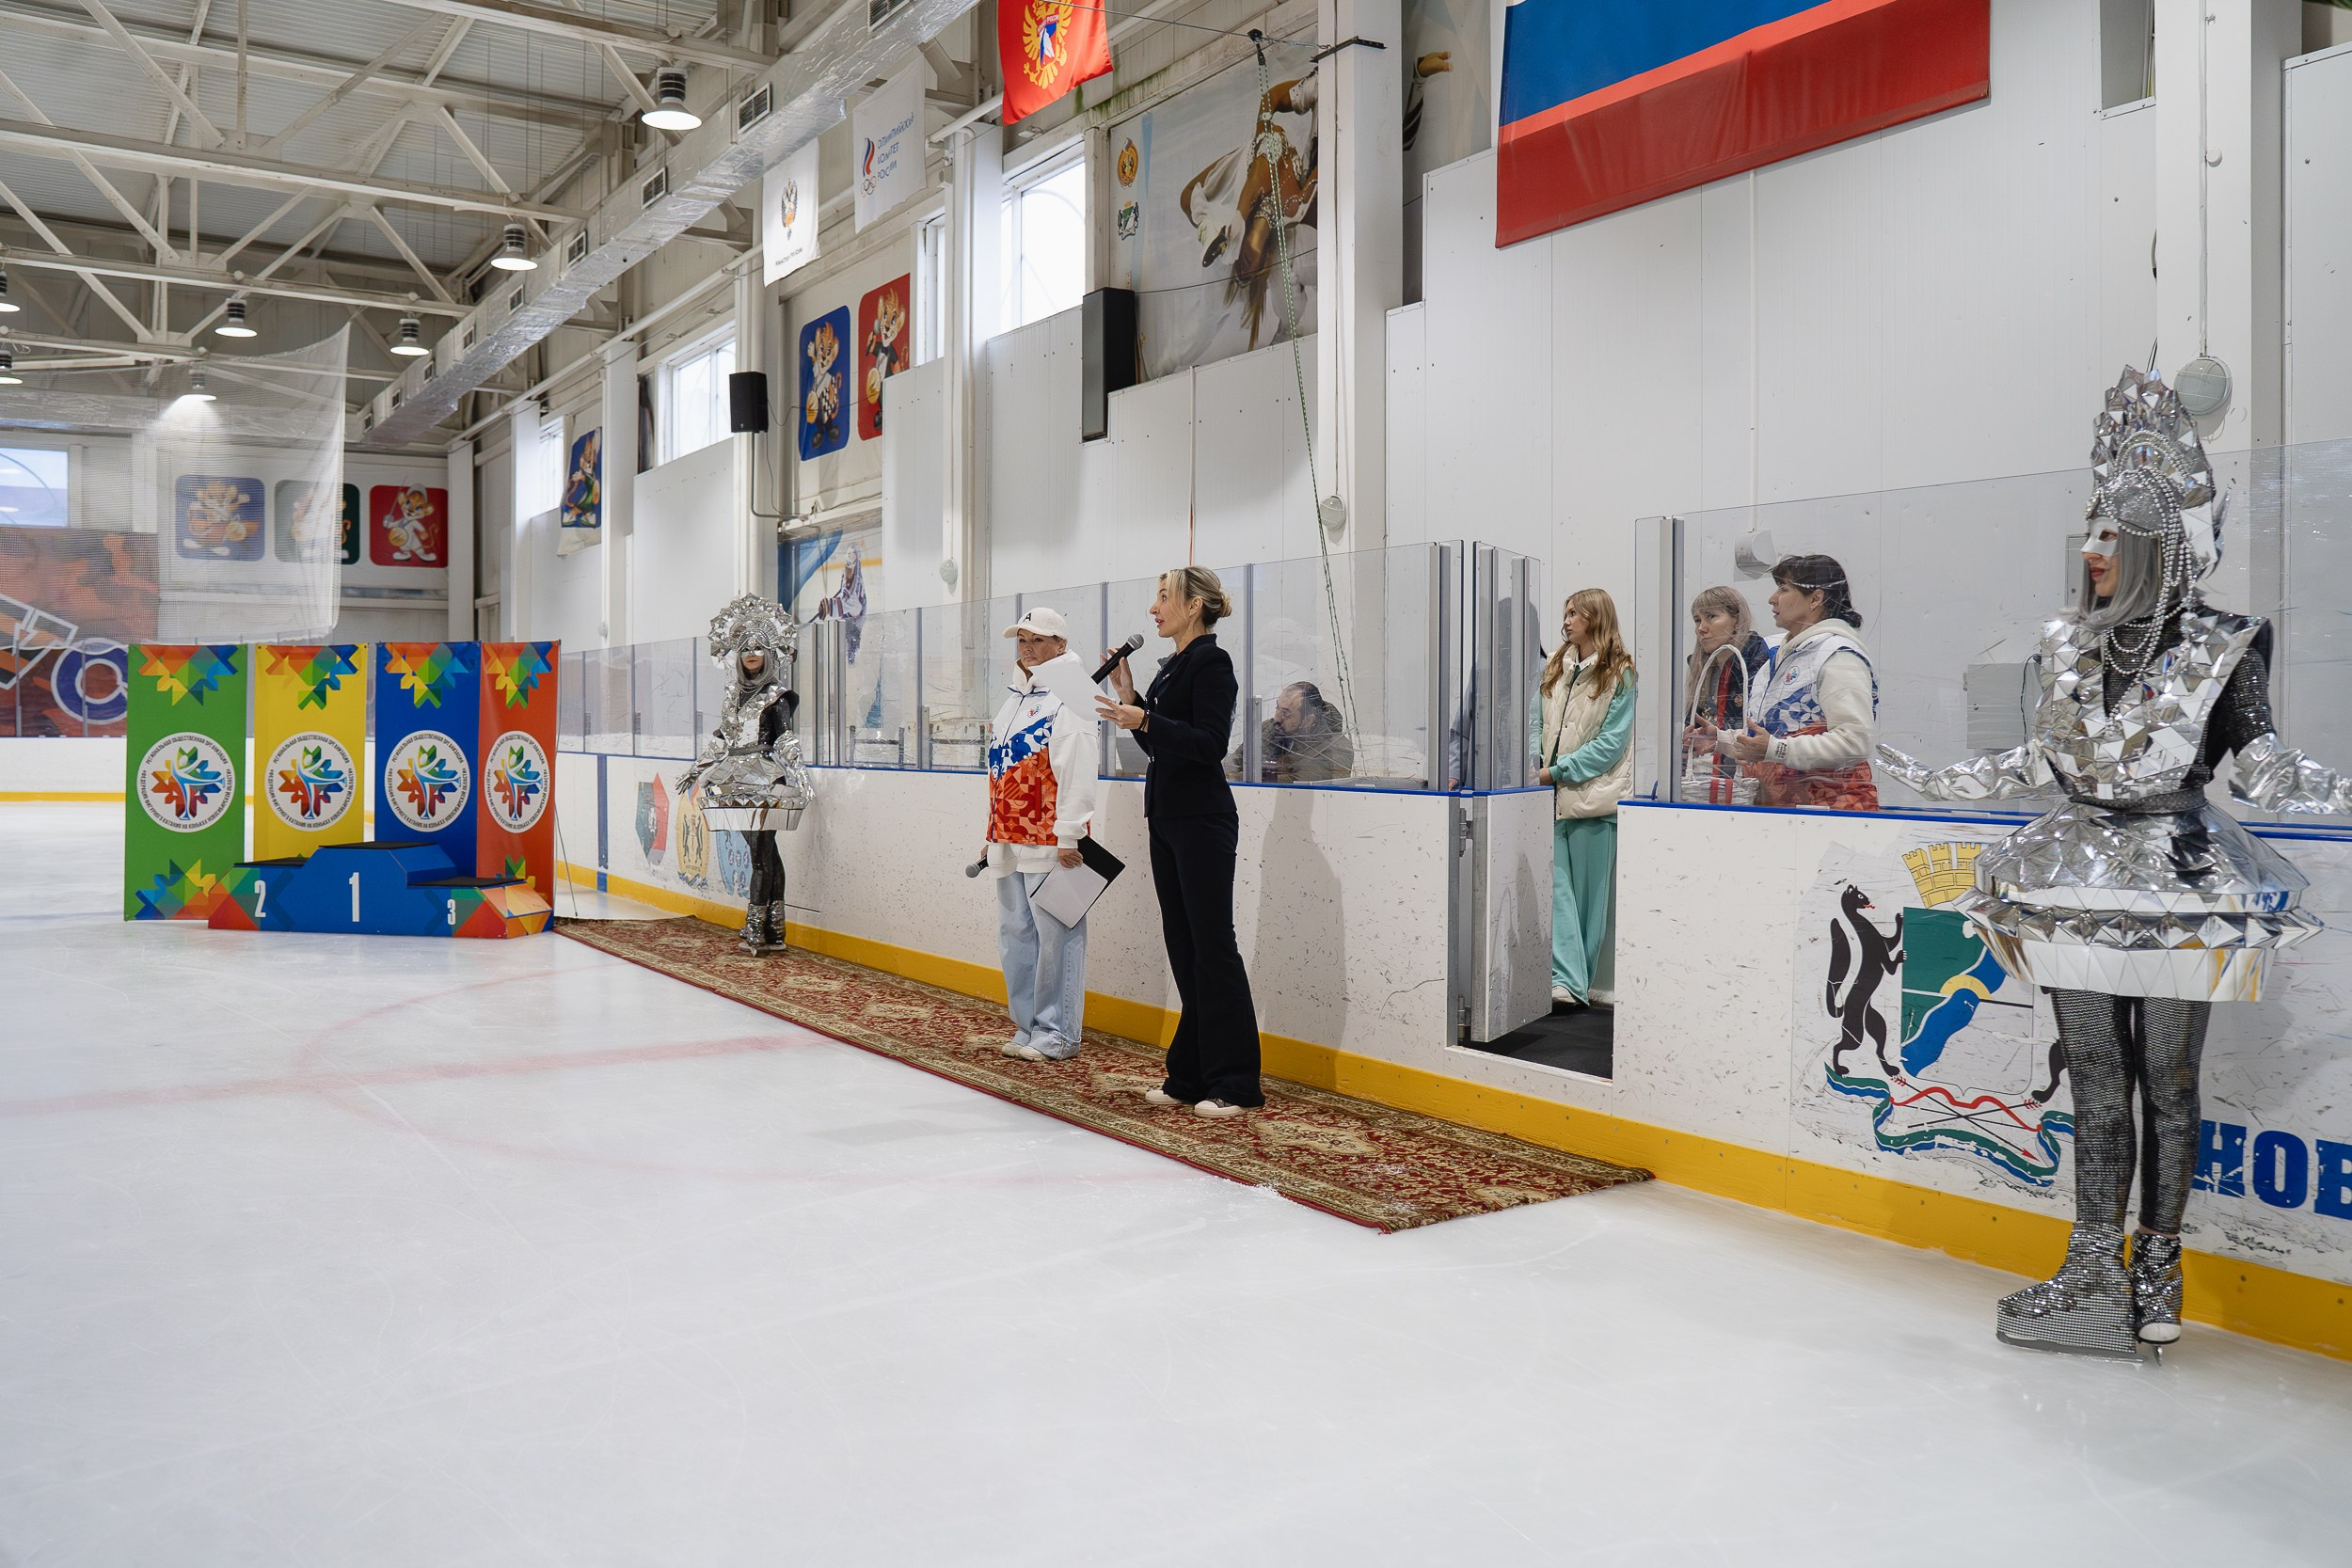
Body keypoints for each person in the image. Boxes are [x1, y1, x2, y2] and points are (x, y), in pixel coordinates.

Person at [1878, 364, 2352, 1357]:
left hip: (2181, 879)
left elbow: (2263, 766)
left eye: (2110, 533)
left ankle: (2157, 1264)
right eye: (2090, 532)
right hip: (2074, 873)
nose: (2091, 550)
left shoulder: (2225, 645)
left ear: (2156, 544)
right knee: (2096, 1080)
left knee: (2168, 1079)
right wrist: (1926, 774)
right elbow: (2037, 761)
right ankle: (2093, 1267)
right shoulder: (2064, 644)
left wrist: (2340, 789)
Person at [1097, 566, 1264, 1117]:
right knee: (1185, 948)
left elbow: (1209, 745)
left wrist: (1145, 719)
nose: (1154, 607)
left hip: (1202, 821)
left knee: (1213, 948)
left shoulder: (1212, 662)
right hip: (1169, 819)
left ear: (1194, 606)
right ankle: (1190, 1075)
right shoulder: (1173, 666)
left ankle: (1236, 1083)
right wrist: (1132, 701)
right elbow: (1164, 748)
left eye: (1164, 597)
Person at [985, 608, 1100, 1063]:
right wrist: (992, 829)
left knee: (1058, 935)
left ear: (1060, 645)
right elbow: (999, 771)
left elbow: (1079, 768)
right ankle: (1027, 1025)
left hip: (1051, 840)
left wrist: (1071, 833)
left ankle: (1058, 1032)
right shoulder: (1012, 700)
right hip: (1008, 837)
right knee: (1015, 934)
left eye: (1038, 640)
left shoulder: (1072, 696)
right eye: (1022, 640)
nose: (1028, 648)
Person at [677, 594, 815, 956]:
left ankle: (755, 927)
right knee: (765, 852)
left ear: (769, 653)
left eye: (757, 647)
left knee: (760, 855)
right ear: (736, 655)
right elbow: (721, 740)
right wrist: (695, 769)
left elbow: (785, 739)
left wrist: (800, 776)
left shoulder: (777, 696)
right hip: (733, 779)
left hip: (766, 779)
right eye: (744, 648)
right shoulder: (733, 695)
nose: (751, 654)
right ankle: (774, 928)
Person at [1692, 554, 1878, 810]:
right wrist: (1722, 740)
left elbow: (1854, 742)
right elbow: (1776, 734)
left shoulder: (1839, 656)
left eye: (1783, 589)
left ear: (1815, 598)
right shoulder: (1778, 657)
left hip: (1831, 813)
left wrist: (1775, 749)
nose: (1772, 598)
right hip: (1781, 812)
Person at [1530, 589, 1636, 1008]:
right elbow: (1536, 722)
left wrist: (1555, 771)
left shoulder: (1621, 673)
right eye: (1566, 612)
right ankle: (1568, 982)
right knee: (1558, 893)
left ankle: (1577, 988)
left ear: (1596, 618)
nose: (1567, 620)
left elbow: (1611, 744)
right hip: (1550, 797)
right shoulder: (1556, 665)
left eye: (1575, 613)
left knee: (1592, 907)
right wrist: (1535, 763)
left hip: (1595, 800)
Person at [1679, 585, 1772, 804]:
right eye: (1697, 620)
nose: (1701, 628)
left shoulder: (1759, 663)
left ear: (1737, 619)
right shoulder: (1700, 668)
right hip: (1702, 784)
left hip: (1747, 783)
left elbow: (1761, 730)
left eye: (1711, 617)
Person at [1229, 680, 1355, 783]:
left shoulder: (1336, 748)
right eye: (1277, 707)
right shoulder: (1269, 728)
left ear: (1308, 720)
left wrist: (1238, 777)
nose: (1277, 718)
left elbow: (1299, 783)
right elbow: (1235, 760)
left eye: (1285, 713)